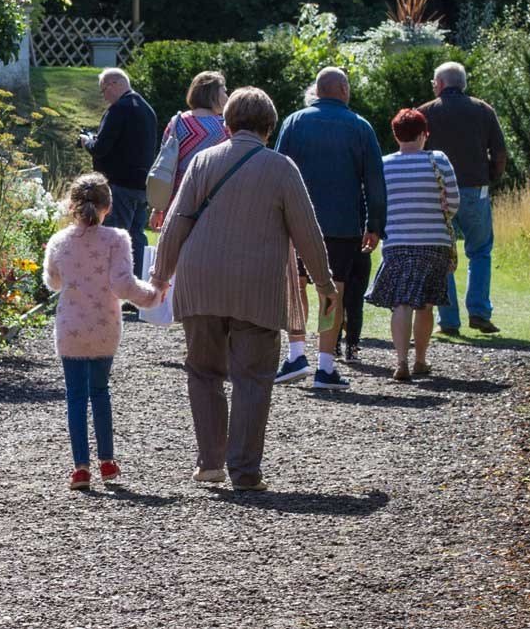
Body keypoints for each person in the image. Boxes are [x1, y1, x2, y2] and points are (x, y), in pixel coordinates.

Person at [149, 87, 336, 492]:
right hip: (258, 287)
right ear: (269, 128)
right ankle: (245, 472)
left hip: (201, 283)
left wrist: (161, 276)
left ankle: (210, 462)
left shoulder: (202, 160)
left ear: (227, 125)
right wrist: (323, 283)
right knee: (253, 377)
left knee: (203, 371)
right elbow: (307, 231)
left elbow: (177, 221)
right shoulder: (282, 168)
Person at [42, 173, 160, 490]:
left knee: (76, 398)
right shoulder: (117, 239)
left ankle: (80, 468)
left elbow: (52, 282)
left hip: (70, 328)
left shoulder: (58, 242)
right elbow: (123, 285)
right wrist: (153, 295)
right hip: (105, 327)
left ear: (72, 205)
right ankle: (107, 462)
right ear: (108, 205)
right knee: (100, 392)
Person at [273, 67, 386, 387]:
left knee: (296, 288)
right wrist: (375, 223)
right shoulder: (361, 128)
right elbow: (374, 182)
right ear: (344, 90)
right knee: (332, 291)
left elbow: (279, 168)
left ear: (318, 90)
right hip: (342, 224)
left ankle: (295, 354)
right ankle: (325, 364)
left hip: (296, 221)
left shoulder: (293, 122)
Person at [364, 109, 461, 381]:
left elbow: (375, 203)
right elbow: (453, 203)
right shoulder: (438, 160)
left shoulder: (383, 164)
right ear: (423, 134)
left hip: (397, 243)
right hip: (434, 243)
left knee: (401, 303)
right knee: (425, 306)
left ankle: (401, 361)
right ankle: (420, 359)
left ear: (396, 135)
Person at [417, 61, 507, 335]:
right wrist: (491, 177)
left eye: (434, 81)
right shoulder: (483, 110)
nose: (433, 85)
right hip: (475, 190)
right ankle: (479, 311)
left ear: (441, 84)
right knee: (480, 251)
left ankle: (449, 320)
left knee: (443, 255)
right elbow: (500, 153)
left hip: (439, 193)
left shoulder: (426, 112)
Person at [81, 68, 161, 280]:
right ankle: (138, 285)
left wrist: (86, 141)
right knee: (136, 237)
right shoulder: (146, 109)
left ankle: (109, 288)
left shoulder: (119, 109)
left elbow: (100, 148)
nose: (104, 96)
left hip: (119, 185)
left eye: (103, 90)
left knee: (114, 237)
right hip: (141, 184)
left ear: (115, 83)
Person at [146, 70, 230, 232]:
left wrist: (158, 209)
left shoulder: (176, 122)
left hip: (175, 199)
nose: (227, 97)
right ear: (213, 94)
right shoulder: (224, 127)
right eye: (224, 91)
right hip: (209, 200)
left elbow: (165, 164)